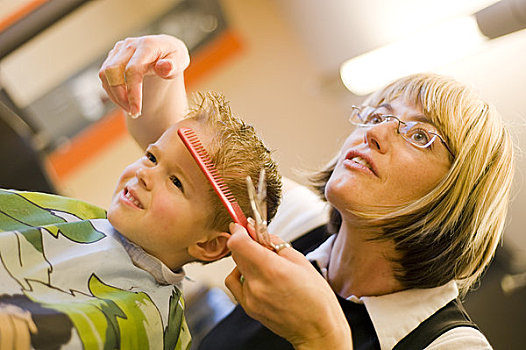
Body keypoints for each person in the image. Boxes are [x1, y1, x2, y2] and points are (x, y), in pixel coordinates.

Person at [114, 34, 515, 349]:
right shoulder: (297, 227)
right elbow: (180, 156)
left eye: (420, 135)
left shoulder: (451, 345)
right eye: (377, 115)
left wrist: (321, 339)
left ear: (461, 193)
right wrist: (163, 65)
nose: (374, 132)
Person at [0, 88, 282, 348]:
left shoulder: (153, 324)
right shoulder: (75, 218)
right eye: (152, 157)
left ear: (208, 245)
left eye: (176, 182)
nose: (145, 174)